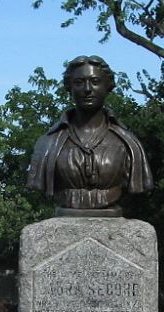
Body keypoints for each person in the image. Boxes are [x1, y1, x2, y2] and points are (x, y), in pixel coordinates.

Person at [27, 55, 152, 214]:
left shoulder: (129, 144)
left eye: (95, 82)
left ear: (107, 87)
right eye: (79, 83)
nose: (87, 89)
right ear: (70, 88)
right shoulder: (47, 143)